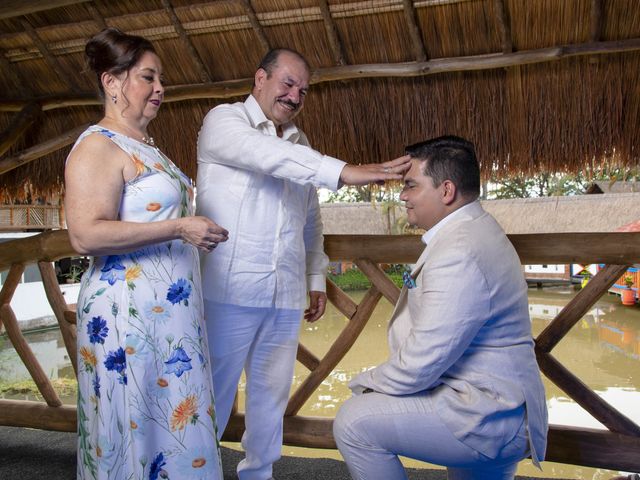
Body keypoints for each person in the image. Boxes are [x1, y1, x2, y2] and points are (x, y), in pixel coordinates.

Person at [196, 47, 410, 479]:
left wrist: (315, 277)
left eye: (304, 90)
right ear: (260, 78)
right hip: (227, 291)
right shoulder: (223, 121)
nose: (295, 96)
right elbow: (267, 156)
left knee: (270, 396)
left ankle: (259, 474)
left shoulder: (301, 142)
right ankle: (192, 472)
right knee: (209, 396)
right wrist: (346, 171)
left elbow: (310, 220)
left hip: (284, 293)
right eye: (288, 84)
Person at [333, 136, 548, 480]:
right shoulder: (476, 230)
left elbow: (419, 364)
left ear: (446, 191)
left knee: (354, 421)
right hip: (496, 401)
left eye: (411, 186)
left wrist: (366, 383)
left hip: (487, 413)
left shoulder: (460, 250)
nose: (403, 196)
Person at [65, 28, 228, 480]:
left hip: (167, 317)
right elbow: (84, 235)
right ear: (112, 82)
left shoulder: (146, 146)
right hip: (125, 317)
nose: (160, 89)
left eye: (161, 79)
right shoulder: (98, 145)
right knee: (133, 427)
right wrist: (178, 226)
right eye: (147, 78)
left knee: (170, 425)